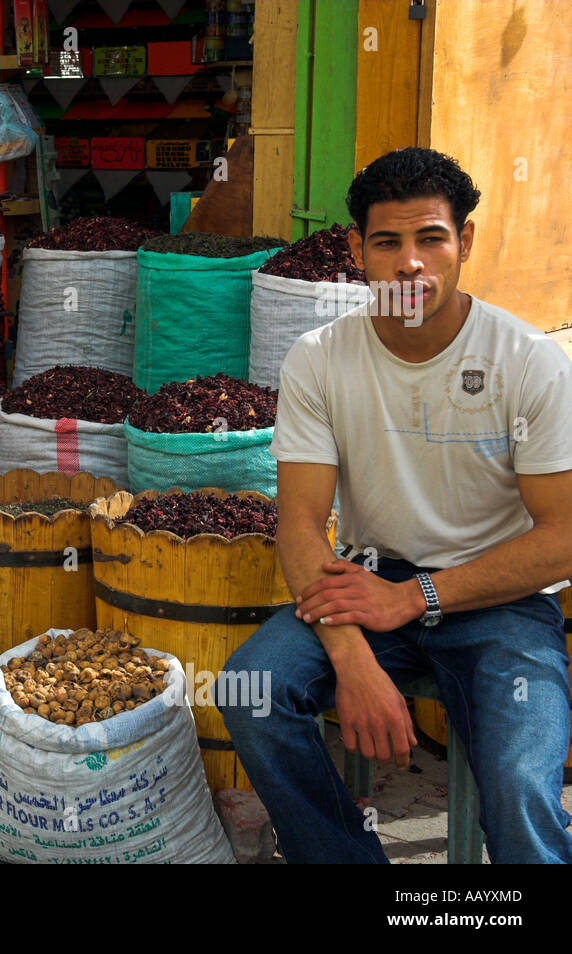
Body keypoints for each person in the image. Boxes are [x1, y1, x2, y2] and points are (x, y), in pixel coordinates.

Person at [216, 147, 572, 863]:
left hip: (498, 601)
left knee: (519, 780)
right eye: (387, 242)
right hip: (365, 585)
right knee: (250, 692)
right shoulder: (320, 359)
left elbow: (562, 539)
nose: (410, 264)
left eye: (431, 238)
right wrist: (350, 654)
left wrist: (414, 599)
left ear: (463, 242)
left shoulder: (529, 361)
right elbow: (298, 526)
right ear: (357, 250)